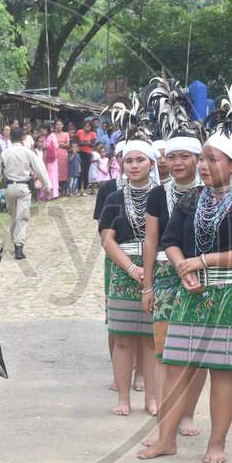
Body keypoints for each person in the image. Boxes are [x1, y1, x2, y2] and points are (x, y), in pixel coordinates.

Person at [139, 121, 232, 463]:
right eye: (204, 159)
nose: (204, 166)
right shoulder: (192, 198)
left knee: (221, 368)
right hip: (193, 292)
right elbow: (169, 240)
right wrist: (183, 265)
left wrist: (202, 261)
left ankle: (217, 443)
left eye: (213, 159)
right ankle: (166, 439)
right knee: (177, 364)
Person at [140, 133, 206, 446]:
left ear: (197, 159)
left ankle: (188, 413)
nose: (177, 163)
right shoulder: (157, 195)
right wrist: (147, 285)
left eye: (185, 156)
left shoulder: (210, 193)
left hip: (202, 274)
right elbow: (150, 241)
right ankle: (165, 419)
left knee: (198, 352)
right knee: (165, 351)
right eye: (172, 156)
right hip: (166, 276)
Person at [99, 139, 160, 416]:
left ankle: (151, 397)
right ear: (122, 165)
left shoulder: (162, 196)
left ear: (152, 163)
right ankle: (123, 398)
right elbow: (107, 239)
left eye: (140, 160)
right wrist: (131, 269)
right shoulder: (113, 198)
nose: (134, 165)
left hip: (156, 269)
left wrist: (147, 272)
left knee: (150, 338)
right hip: (123, 270)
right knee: (122, 336)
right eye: (128, 161)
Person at [0, 126, 51, 259]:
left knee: (13, 216)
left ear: (10, 138)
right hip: (23, 188)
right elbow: (39, 169)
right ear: (23, 138)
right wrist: (47, 186)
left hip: (9, 189)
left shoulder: (5, 154)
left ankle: (15, 241)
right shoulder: (28, 153)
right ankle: (19, 247)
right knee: (22, 217)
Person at [76, 119, 97, 195]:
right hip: (80, 153)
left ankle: (84, 188)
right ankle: (78, 189)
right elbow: (77, 142)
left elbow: (93, 144)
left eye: (89, 126)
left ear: (91, 127)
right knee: (79, 171)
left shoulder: (93, 134)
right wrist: (86, 143)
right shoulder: (79, 132)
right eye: (86, 125)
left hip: (88, 153)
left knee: (86, 171)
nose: (87, 127)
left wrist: (86, 143)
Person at [40, 123, 59, 201]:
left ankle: (52, 194)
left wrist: (47, 147)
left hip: (52, 159)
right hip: (45, 159)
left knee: (52, 176)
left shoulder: (52, 136)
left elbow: (56, 146)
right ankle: (46, 193)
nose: (41, 132)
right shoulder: (44, 137)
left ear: (46, 130)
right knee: (46, 175)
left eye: (42, 130)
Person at [52, 120, 70, 196]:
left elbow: (68, 145)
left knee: (64, 172)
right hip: (55, 154)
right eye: (57, 125)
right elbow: (51, 144)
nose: (59, 126)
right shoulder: (52, 134)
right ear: (55, 126)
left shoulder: (66, 134)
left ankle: (63, 190)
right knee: (56, 171)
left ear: (63, 125)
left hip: (63, 155)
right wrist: (61, 145)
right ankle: (57, 189)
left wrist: (61, 145)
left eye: (60, 124)